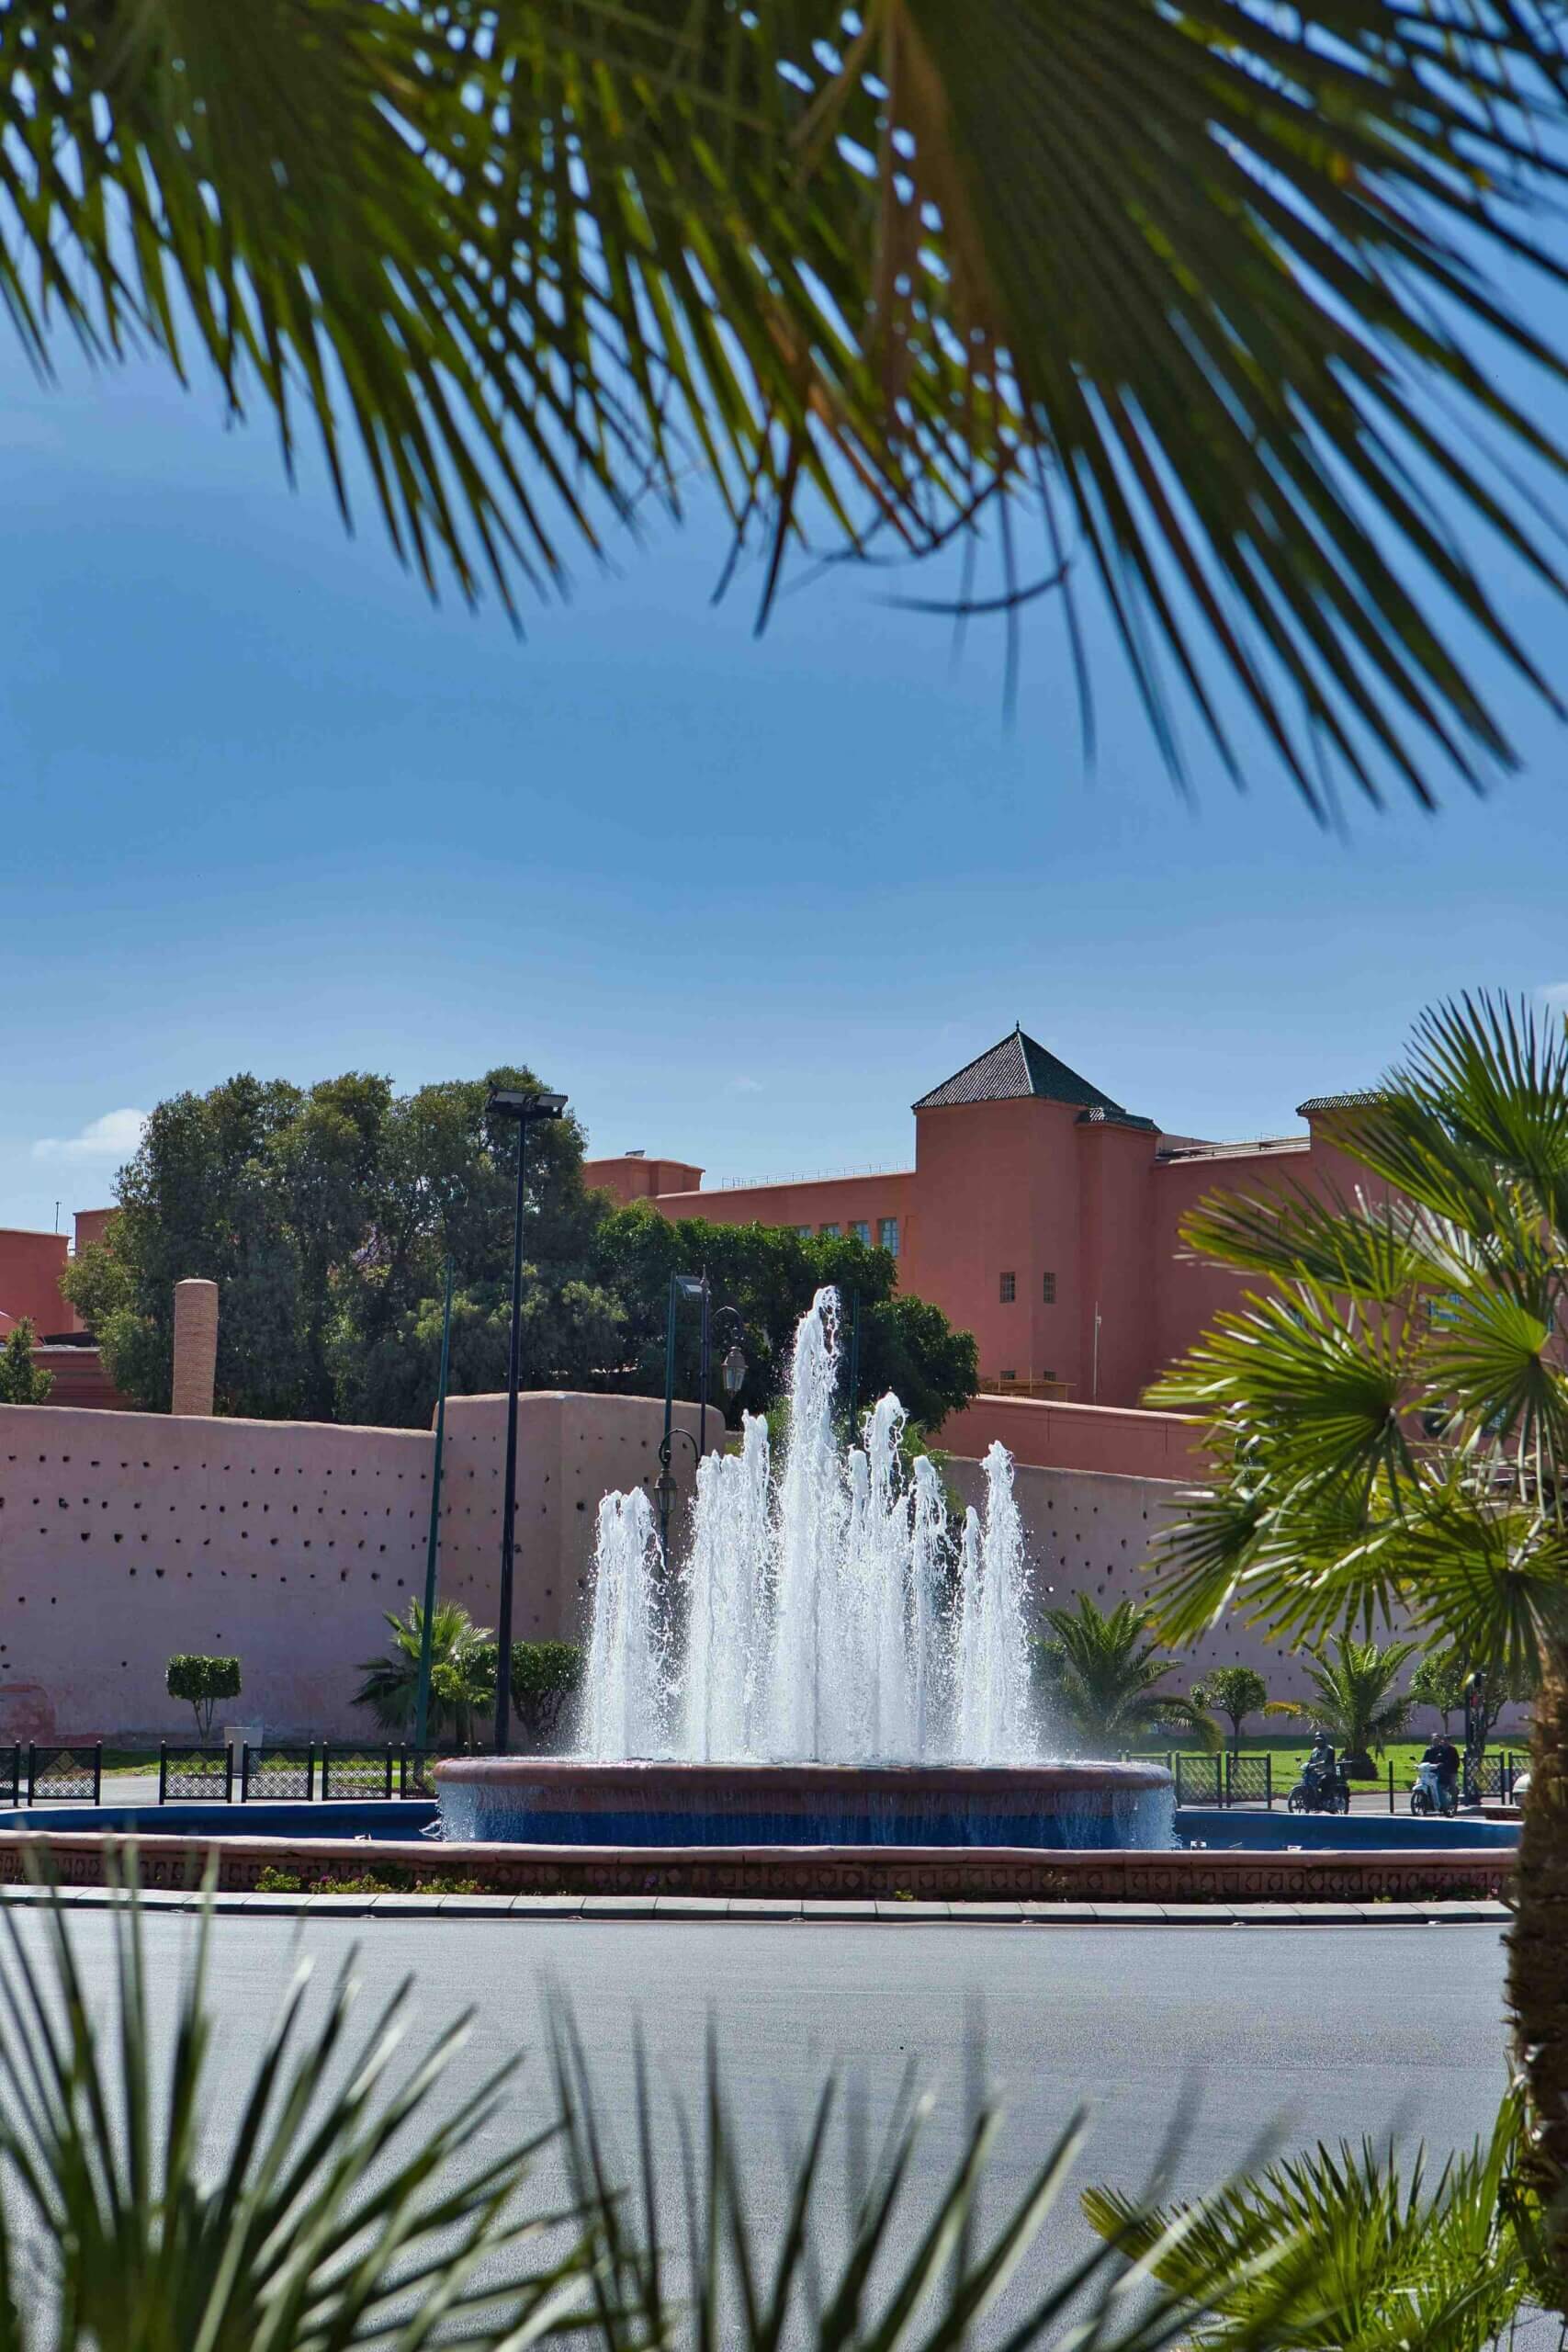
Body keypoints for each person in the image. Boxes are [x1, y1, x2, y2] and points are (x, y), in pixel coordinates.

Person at [1423, 1733, 1461, 1804]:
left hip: (1451, 1771)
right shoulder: (1440, 1749)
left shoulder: (1453, 1749)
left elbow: (1456, 1762)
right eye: (1445, 1740)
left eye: (1448, 1740)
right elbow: (1437, 1759)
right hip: (1441, 1771)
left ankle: (1454, 1801)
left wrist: (1449, 1766)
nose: (1446, 1742)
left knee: (1452, 1785)